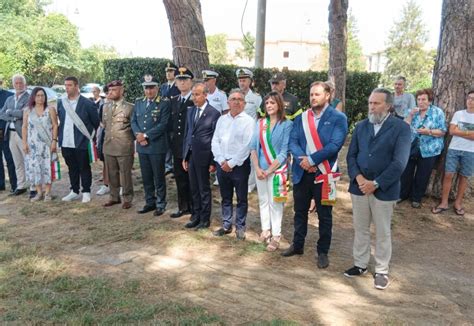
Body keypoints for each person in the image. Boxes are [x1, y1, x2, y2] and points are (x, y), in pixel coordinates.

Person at [344, 88, 411, 290]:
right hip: (360, 187)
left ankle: (381, 270)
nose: (371, 107)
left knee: (383, 232)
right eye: (370, 103)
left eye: (376, 103)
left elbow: (399, 163)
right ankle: (360, 264)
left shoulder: (401, 128)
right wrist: (360, 178)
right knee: (361, 229)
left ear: (388, 105)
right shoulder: (362, 126)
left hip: (384, 190)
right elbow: (351, 156)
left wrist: (376, 183)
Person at [282, 81, 348, 270]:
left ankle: (323, 251)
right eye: (311, 94)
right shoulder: (301, 118)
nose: (313, 98)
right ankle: (298, 245)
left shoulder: (338, 118)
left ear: (328, 96)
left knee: (325, 215)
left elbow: (334, 145)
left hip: (325, 174)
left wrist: (311, 161)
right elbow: (293, 142)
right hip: (302, 172)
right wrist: (303, 160)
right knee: (299, 212)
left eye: (317, 94)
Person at [250, 91, 293, 251]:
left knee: (276, 203)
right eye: (267, 103)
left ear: (279, 104)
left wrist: (268, 171)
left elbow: (284, 152)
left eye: (272, 103)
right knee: (263, 200)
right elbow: (253, 147)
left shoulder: (287, 124)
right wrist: (257, 168)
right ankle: (265, 230)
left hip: (277, 170)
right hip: (260, 169)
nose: (269, 105)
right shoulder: (260, 123)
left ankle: (276, 235)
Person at [212, 89, 254, 240]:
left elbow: (247, 146)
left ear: (244, 103)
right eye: (233, 99)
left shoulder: (249, 121)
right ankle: (226, 224)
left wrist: (232, 163)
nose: (236, 101)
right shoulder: (222, 119)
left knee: (241, 198)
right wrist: (221, 160)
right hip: (222, 164)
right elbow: (215, 140)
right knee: (226, 197)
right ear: (228, 102)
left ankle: (240, 227)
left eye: (240, 99)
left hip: (239, 166)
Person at [182, 83, 221, 230]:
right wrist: (185, 156)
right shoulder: (191, 111)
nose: (194, 97)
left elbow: (215, 139)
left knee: (203, 188)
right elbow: (187, 134)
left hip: (204, 156)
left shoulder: (213, 113)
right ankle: (196, 215)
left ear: (205, 95)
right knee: (194, 187)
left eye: (197, 94)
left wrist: (212, 161)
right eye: (193, 94)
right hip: (191, 155)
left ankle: (205, 219)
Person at [399, 88, 446, 208]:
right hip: (411, 145)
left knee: (423, 174)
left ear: (429, 100)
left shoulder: (437, 112)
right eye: (418, 99)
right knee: (406, 171)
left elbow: (442, 131)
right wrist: (410, 115)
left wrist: (428, 132)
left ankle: (416, 198)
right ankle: (403, 194)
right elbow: (403, 127)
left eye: (423, 99)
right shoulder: (412, 111)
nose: (420, 102)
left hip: (430, 149)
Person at [131, 74, 171, 216]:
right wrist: (138, 135)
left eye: (152, 88)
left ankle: (161, 203)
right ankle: (150, 202)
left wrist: (146, 135)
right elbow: (133, 121)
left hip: (156, 146)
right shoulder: (139, 102)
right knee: (146, 176)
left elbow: (163, 124)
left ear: (157, 88)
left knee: (158, 176)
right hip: (142, 146)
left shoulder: (164, 103)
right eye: (146, 88)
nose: (149, 91)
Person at [58, 76, 100, 203]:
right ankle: (74, 191)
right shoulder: (61, 102)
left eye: (70, 85)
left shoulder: (87, 103)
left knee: (84, 167)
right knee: (72, 167)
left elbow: (96, 122)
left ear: (76, 86)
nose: (67, 88)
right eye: (65, 85)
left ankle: (86, 191)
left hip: (81, 141)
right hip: (66, 141)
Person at [432, 89, 474, 216]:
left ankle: (458, 203)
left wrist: (460, 130)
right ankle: (444, 203)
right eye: (469, 98)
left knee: (464, 176)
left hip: (470, 151)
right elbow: (451, 131)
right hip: (454, 149)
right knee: (448, 174)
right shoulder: (459, 114)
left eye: (473, 99)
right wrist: (470, 132)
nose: (470, 101)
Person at [102, 80, 135, 209]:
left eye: (114, 90)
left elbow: (134, 126)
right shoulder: (106, 107)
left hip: (123, 145)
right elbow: (105, 125)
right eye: (109, 90)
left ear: (121, 91)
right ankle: (114, 197)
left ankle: (127, 198)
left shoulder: (130, 107)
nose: (111, 93)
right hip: (109, 145)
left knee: (125, 173)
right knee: (112, 173)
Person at [21, 87, 59, 201]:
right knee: (35, 167)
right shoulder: (27, 110)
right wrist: (24, 143)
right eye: (37, 95)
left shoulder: (50, 109)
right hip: (32, 145)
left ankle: (47, 193)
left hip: (47, 144)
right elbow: (24, 127)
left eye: (42, 95)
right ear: (33, 97)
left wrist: (54, 141)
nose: (40, 98)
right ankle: (39, 193)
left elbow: (55, 125)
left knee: (47, 167)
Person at [168, 67, 194, 218]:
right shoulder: (174, 100)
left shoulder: (195, 100)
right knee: (179, 177)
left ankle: (193, 207)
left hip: (190, 146)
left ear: (191, 82)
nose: (182, 83)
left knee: (191, 178)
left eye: (185, 80)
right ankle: (183, 206)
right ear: (176, 82)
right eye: (179, 80)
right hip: (177, 146)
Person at [0, 74, 31, 196]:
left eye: (20, 83)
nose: (18, 85)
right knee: (17, 161)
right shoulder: (9, 99)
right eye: (16, 83)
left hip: (23, 133)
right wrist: (14, 117)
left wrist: (10, 113)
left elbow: (24, 114)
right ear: (13, 85)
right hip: (11, 134)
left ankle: (34, 186)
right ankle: (21, 185)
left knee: (28, 160)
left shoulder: (29, 98)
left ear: (25, 84)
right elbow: (1, 114)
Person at [236, 68, 262, 193]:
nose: (242, 83)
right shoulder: (235, 96)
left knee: (252, 159)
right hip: (237, 132)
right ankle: (238, 181)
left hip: (251, 132)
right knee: (238, 157)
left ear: (250, 82)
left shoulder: (256, 98)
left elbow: (260, 116)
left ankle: (250, 183)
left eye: (244, 80)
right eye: (240, 80)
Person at [160, 62, 180, 176]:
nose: (168, 73)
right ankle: (168, 166)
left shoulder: (177, 86)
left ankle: (175, 166)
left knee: (175, 143)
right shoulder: (163, 86)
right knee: (166, 143)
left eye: (171, 71)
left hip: (174, 119)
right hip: (165, 120)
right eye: (167, 71)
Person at [0, 77, 16, 193]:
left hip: (5, 130)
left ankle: (15, 184)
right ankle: (1, 184)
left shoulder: (9, 95)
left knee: (10, 158)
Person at [96, 85, 110, 196]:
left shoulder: (125, 105)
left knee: (119, 162)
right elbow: (99, 121)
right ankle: (106, 184)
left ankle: (120, 185)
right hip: (105, 136)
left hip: (118, 137)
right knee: (106, 161)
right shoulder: (103, 104)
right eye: (108, 92)